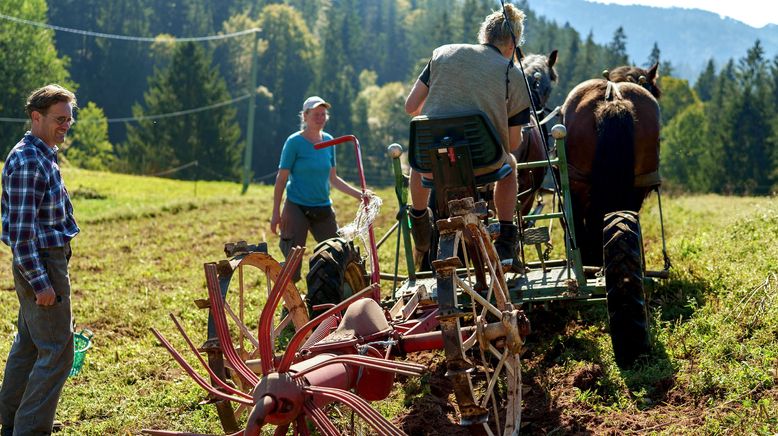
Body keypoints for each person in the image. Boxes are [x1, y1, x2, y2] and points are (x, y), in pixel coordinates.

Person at [404, 4, 532, 271]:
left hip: (435, 160)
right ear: (512, 44)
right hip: (483, 161)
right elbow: (513, 142)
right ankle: (507, 235)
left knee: (420, 162)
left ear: (484, 36)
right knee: (510, 166)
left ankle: (419, 220)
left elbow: (411, 106)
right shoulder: (513, 73)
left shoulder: (443, 53)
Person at [0, 84, 79, 436]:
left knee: (30, 344)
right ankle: (29, 429)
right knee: (58, 351)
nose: (66, 125)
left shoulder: (45, 151)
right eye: (59, 119)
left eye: (69, 119)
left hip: (46, 258)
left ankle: (12, 417)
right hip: (41, 263)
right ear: (36, 116)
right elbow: (20, 232)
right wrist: (41, 281)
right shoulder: (29, 160)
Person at [270, 96, 363, 281]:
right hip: (297, 206)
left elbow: (333, 179)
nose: (320, 117)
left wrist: (360, 195)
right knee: (292, 267)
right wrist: (276, 213)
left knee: (339, 255)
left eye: (323, 114)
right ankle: (289, 306)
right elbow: (281, 178)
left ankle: (338, 302)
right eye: (315, 114)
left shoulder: (329, 141)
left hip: (322, 208)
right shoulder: (294, 142)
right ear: (305, 116)